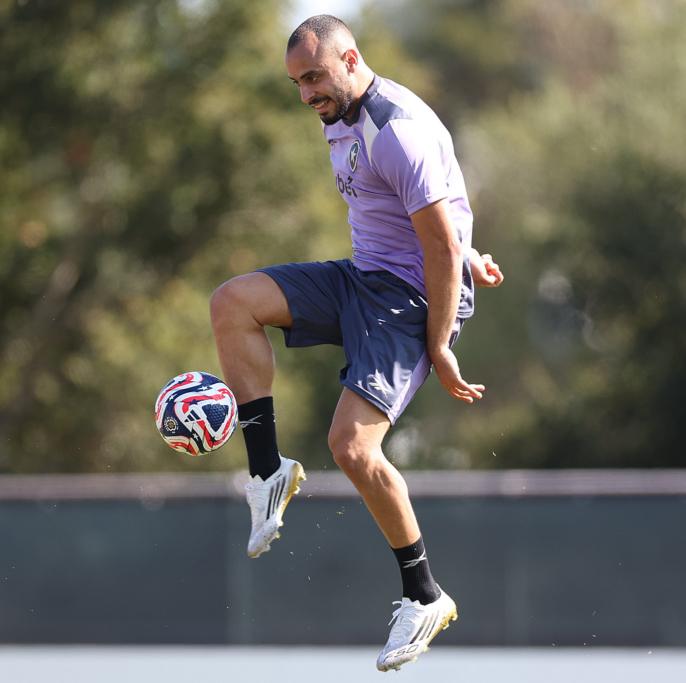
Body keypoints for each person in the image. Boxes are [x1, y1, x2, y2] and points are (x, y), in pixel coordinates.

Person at [209, 14, 504, 671]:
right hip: (363, 277)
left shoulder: (394, 128)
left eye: (314, 76)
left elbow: (437, 242)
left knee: (350, 446)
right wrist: (470, 245)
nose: (307, 93)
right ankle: (266, 471)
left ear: (350, 59)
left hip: (411, 301)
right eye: (296, 83)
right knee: (232, 303)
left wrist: (445, 337)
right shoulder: (340, 112)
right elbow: (428, 210)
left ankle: (423, 593)